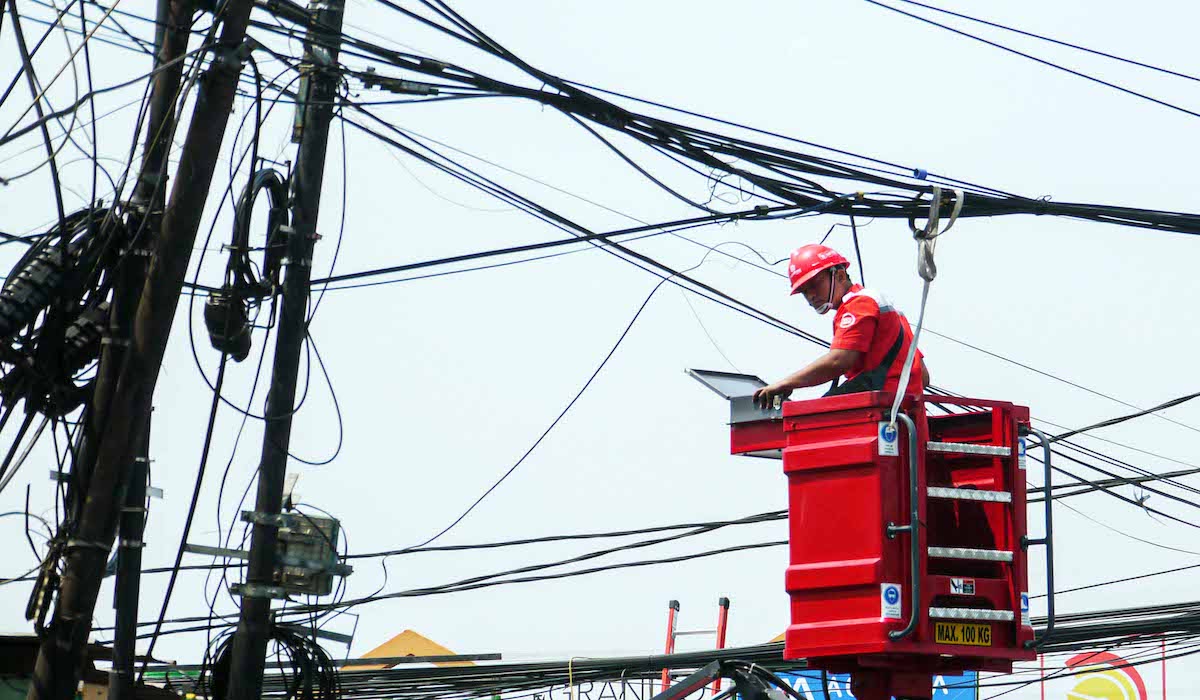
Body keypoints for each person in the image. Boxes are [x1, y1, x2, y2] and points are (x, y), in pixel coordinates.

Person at [753, 244, 929, 408]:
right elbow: (922, 376)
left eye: (814, 285)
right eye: (804, 291)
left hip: (882, 412)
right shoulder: (888, 308)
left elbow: (839, 361)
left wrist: (786, 383)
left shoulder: (858, 304)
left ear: (840, 276)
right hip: (907, 414)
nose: (811, 296)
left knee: (808, 421)